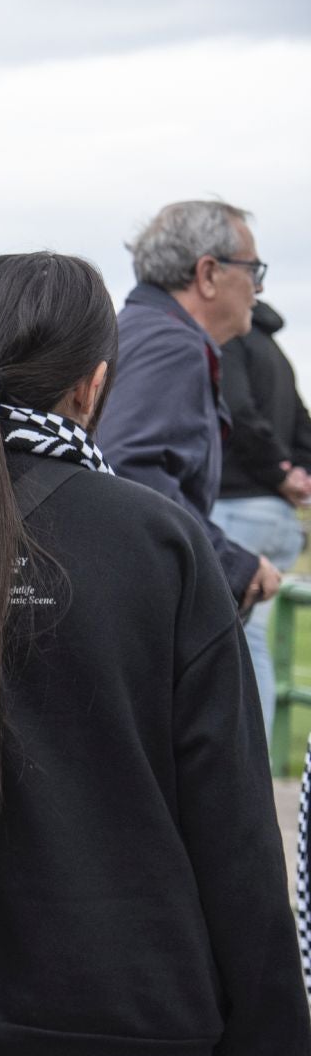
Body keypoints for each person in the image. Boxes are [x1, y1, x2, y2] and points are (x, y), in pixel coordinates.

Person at [0, 252, 311, 1056]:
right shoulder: (160, 543)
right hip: (133, 1017)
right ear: (94, 385)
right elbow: (228, 818)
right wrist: (266, 1049)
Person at [100, 200, 277, 610]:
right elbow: (128, 468)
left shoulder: (137, 330)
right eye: (253, 270)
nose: (260, 288)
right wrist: (233, 564)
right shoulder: (173, 344)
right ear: (209, 273)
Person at [214, 296, 311, 757]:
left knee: (230, 650)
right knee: (256, 647)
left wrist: (278, 471)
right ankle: (258, 769)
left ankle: (244, 772)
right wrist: (297, 477)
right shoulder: (279, 355)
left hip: (237, 509)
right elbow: (304, 425)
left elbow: (237, 411)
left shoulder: (236, 342)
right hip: (279, 518)